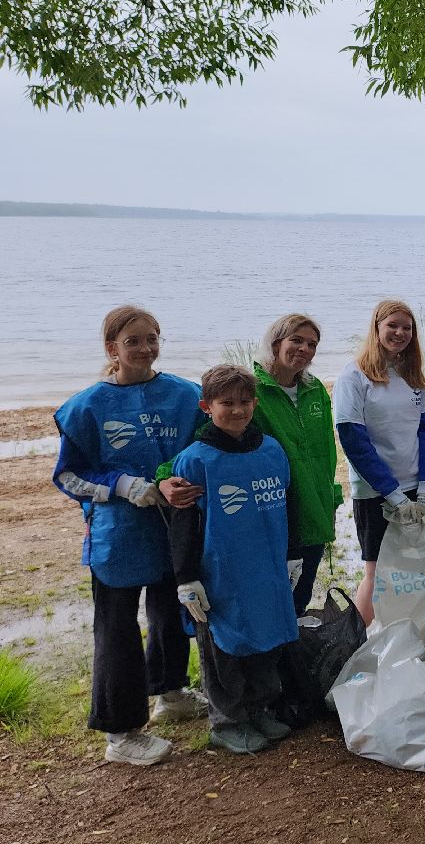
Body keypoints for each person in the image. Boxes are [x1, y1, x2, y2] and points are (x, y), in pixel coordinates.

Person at [52, 306, 208, 766]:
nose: (145, 348)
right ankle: (120, 731)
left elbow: (203, 445)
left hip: (174, 528)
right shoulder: (87, 407)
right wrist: (122, 485)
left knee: (169, 610)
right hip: (118, 535)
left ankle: (170, 692)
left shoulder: (184, 395)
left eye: (153, 338)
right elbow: (69, 475)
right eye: (134, 340)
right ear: (112, 349)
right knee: (117, 629)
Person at [168, 365, 301, 754]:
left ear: (255, 404)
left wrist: (292, 554)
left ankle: (258, 708)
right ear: (207, 406)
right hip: (220, 574)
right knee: (224, 647)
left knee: (267, 640)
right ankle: (226, 721)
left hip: (267, 567)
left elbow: (288, 504)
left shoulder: (271, 450)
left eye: (245, 402)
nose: (238, 410)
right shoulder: (196, 460)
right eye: (227, 403)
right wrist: (186, 578)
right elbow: (184, 523)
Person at [334, 300, 425, 624]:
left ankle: (404, 636)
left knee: (413, 570)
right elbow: (354, 441)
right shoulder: (354, 377)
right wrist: (391, 494)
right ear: (377, 329)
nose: (399, 333)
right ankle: (351, 647)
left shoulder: (414, 379)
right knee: (376, 571)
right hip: (375, 493)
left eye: (406, 327)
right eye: (392, 326)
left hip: (415, 489)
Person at [250, 314, 339, 611]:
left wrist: (331, 497)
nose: (305, 349)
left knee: (299, 597)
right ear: (276, 343)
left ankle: (294, 656)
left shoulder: (314, 391)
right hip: (272, 509)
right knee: (270, 600)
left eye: (312, 344)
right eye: (296, 341)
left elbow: (327, 452)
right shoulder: (251, 390)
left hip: (314, 508)